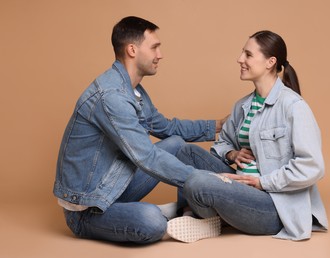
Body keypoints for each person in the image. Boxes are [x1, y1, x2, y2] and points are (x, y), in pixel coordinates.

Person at [53, 16, 228, 244]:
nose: (160, 54)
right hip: (89, 208)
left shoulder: (134, 91)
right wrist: (205, 179)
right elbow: (147, 156)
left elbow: (167, 127)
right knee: (151, 221)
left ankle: (184, 212)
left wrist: (217, 126)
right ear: (132, 50)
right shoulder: (111, 96)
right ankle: (167, 214)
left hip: (114, 184)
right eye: (154, 47)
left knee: (175, 143)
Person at [167, 30, 328, 242]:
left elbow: (312, 166)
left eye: (248, 55)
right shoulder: (242, 106)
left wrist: (261, 182)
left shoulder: (294, 107)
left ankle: (190, 213)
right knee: (184, 151)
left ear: (270, 62)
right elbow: (221, 144)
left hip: (273, 206)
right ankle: (198, 217)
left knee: (197, 182)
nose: (239, 59)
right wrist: (232, 154)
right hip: (239, 189)